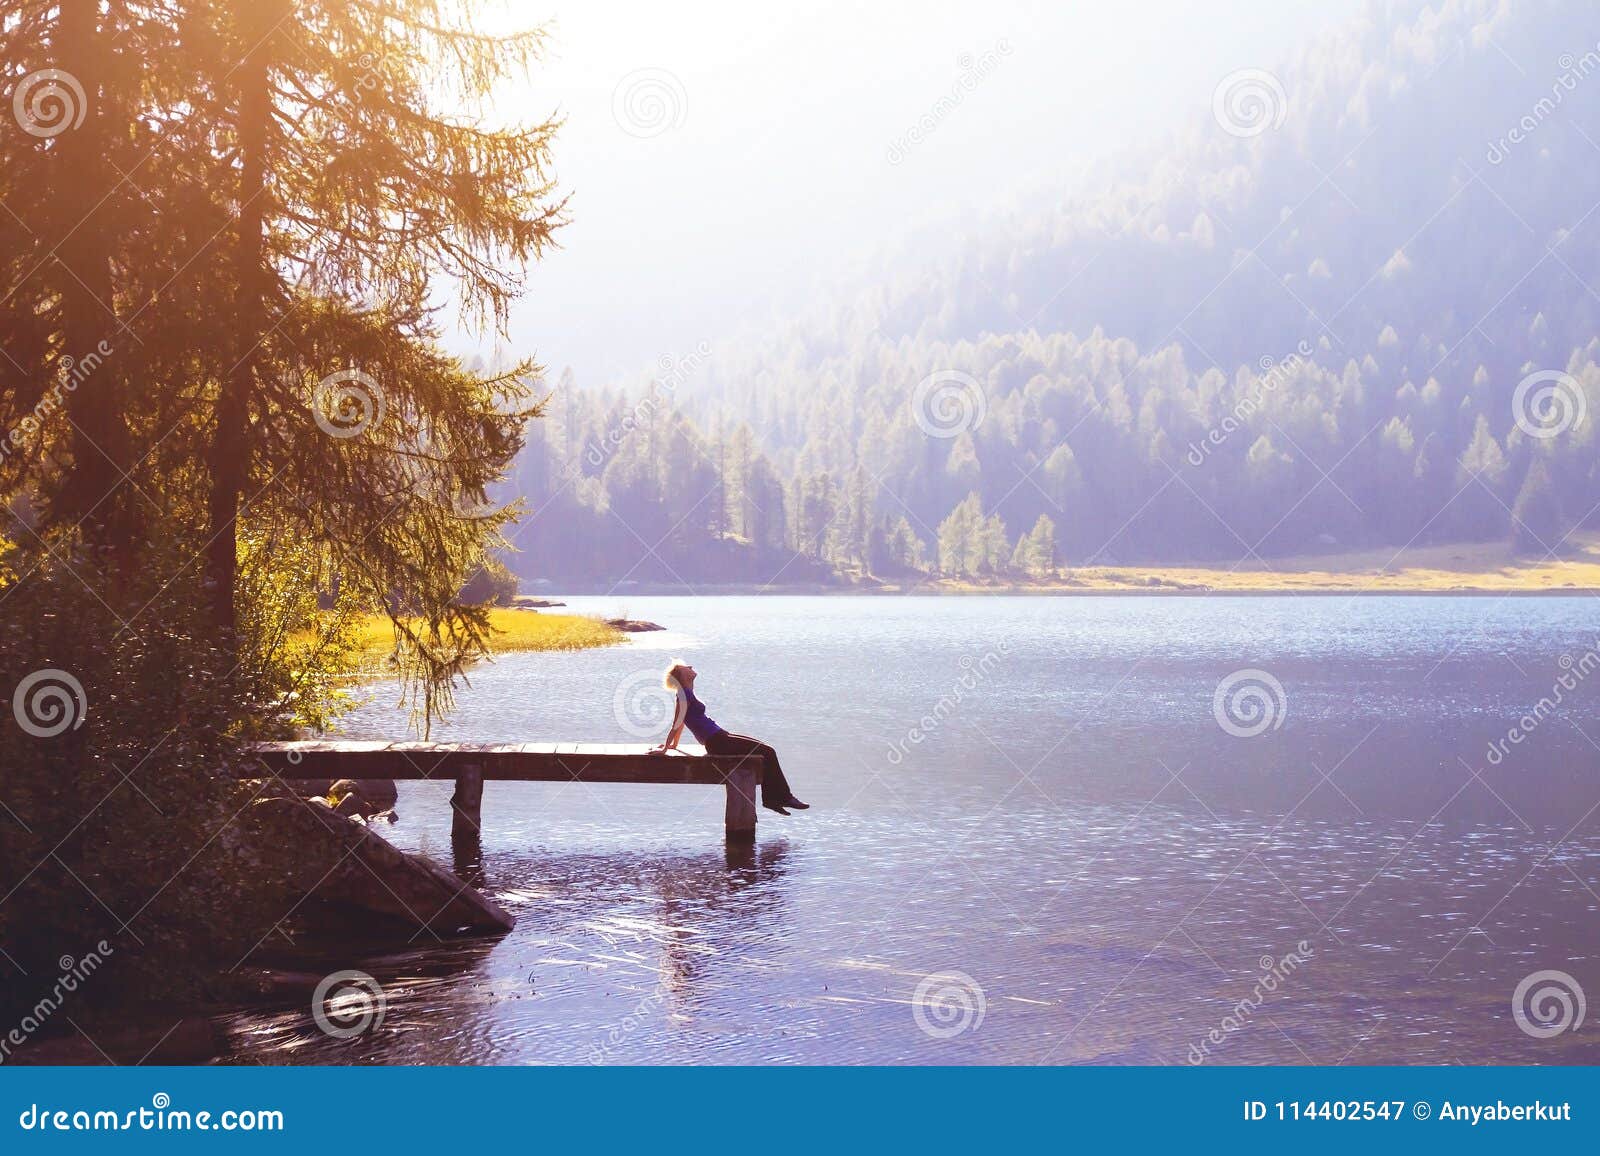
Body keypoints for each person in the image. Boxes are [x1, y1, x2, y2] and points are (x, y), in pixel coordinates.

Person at [654, 661, 809, 815]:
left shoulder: (686, 692)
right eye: (686, 667)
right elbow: (678, 722)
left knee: (765, 750)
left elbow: (682, 722)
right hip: (717, 742)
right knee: (768, 752)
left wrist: (673, 745)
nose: (690, 667)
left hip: (720, 737)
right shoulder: (683, 694)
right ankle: (782, 798)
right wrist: (667, 748)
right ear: (682, 676)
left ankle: (773, 799)